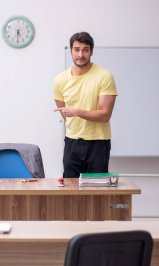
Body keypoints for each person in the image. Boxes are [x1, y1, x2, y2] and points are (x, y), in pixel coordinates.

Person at [53, 31, 118, 178]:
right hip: (72, 143)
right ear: (71, 51)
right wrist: (74, 119)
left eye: (85, 50)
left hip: (98, 143)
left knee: (96, 192)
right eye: (76, 49)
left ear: (91, 52)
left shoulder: (104, 76)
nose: (80, 55)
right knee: (70, 190)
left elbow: (105, 115)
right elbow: (64, 114)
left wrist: (76, 112)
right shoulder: (60, 80)